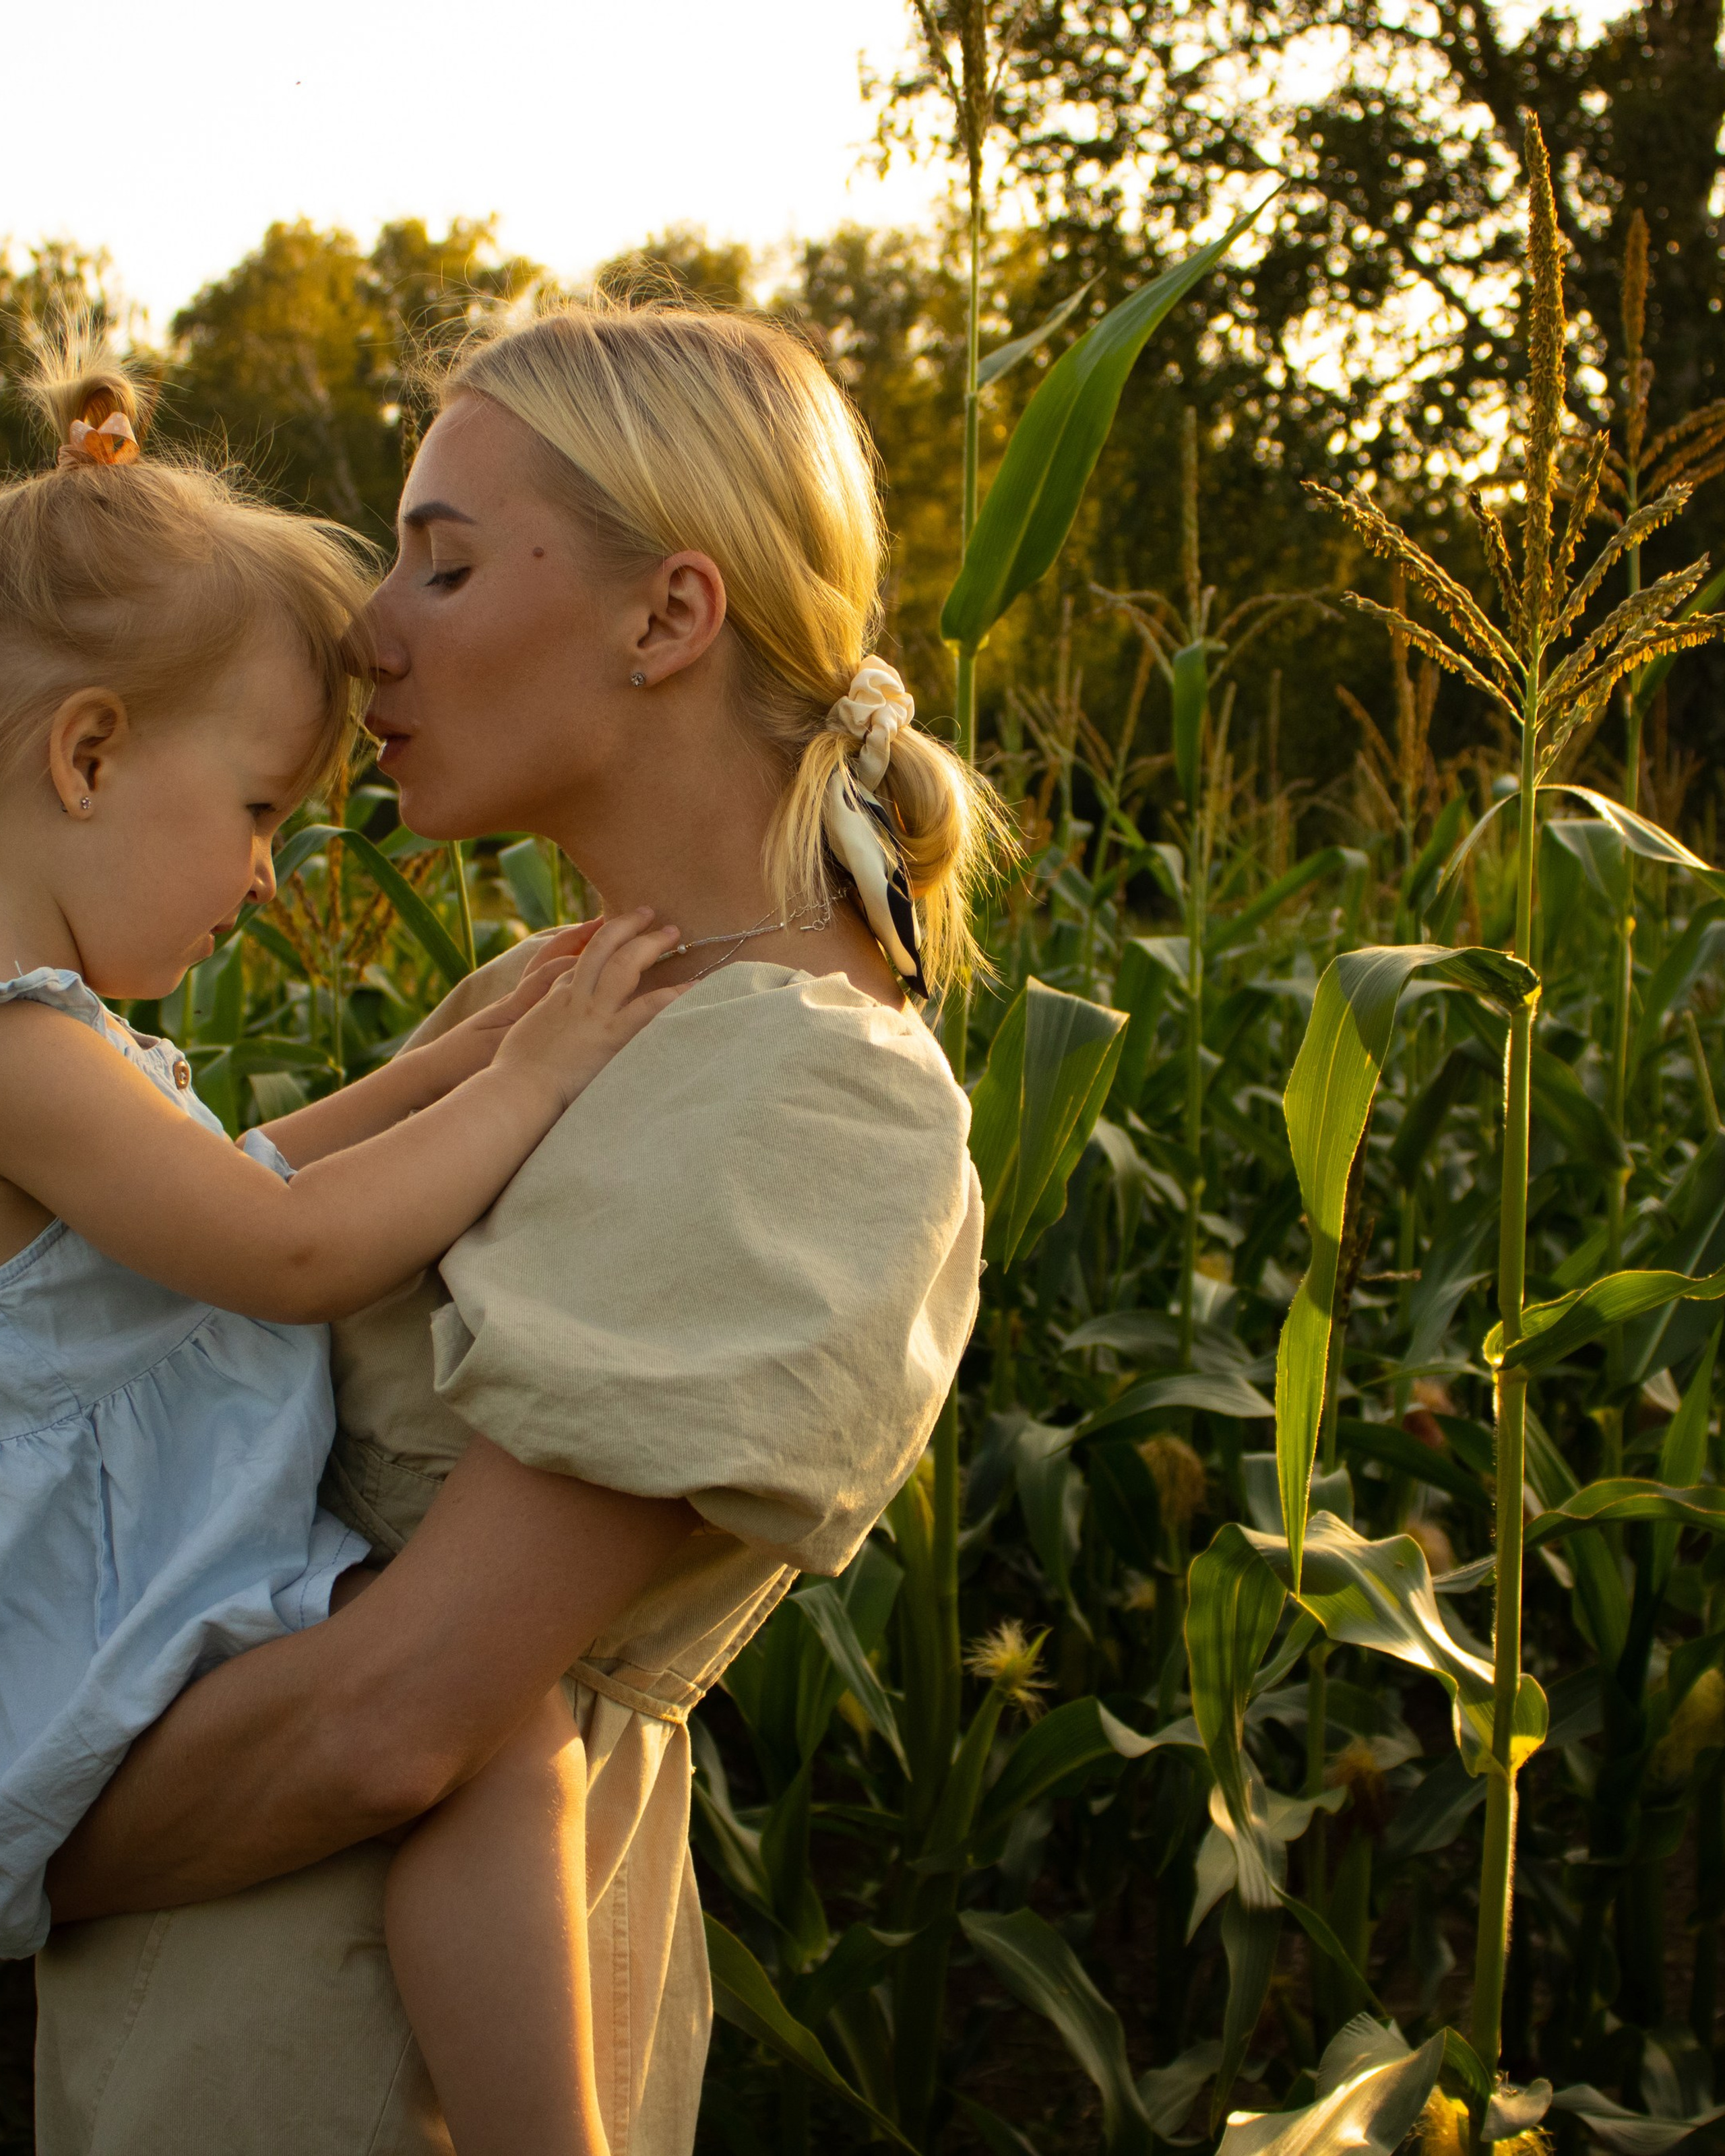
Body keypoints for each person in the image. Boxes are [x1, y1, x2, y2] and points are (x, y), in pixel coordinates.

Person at [36, 296, 999, 2155]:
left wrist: (31, 1843)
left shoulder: (809, 1091)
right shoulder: (550, 999)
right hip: (201, 2036)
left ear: (669, 617)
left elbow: (394, 1720)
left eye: (445, 564)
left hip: (381, 2072)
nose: (367, 628)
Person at [0, 346, 693, 2153]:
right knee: (496, 1736)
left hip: (131, 1598)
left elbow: (224, 1181)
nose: (264, 880)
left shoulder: (55, 1047)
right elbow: (286, 1249)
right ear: (89, 755)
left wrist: (453, 1060)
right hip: (80, 1633)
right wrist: (532, 1079)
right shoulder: (16, 1051)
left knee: (491, 1744)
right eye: (253, 813)